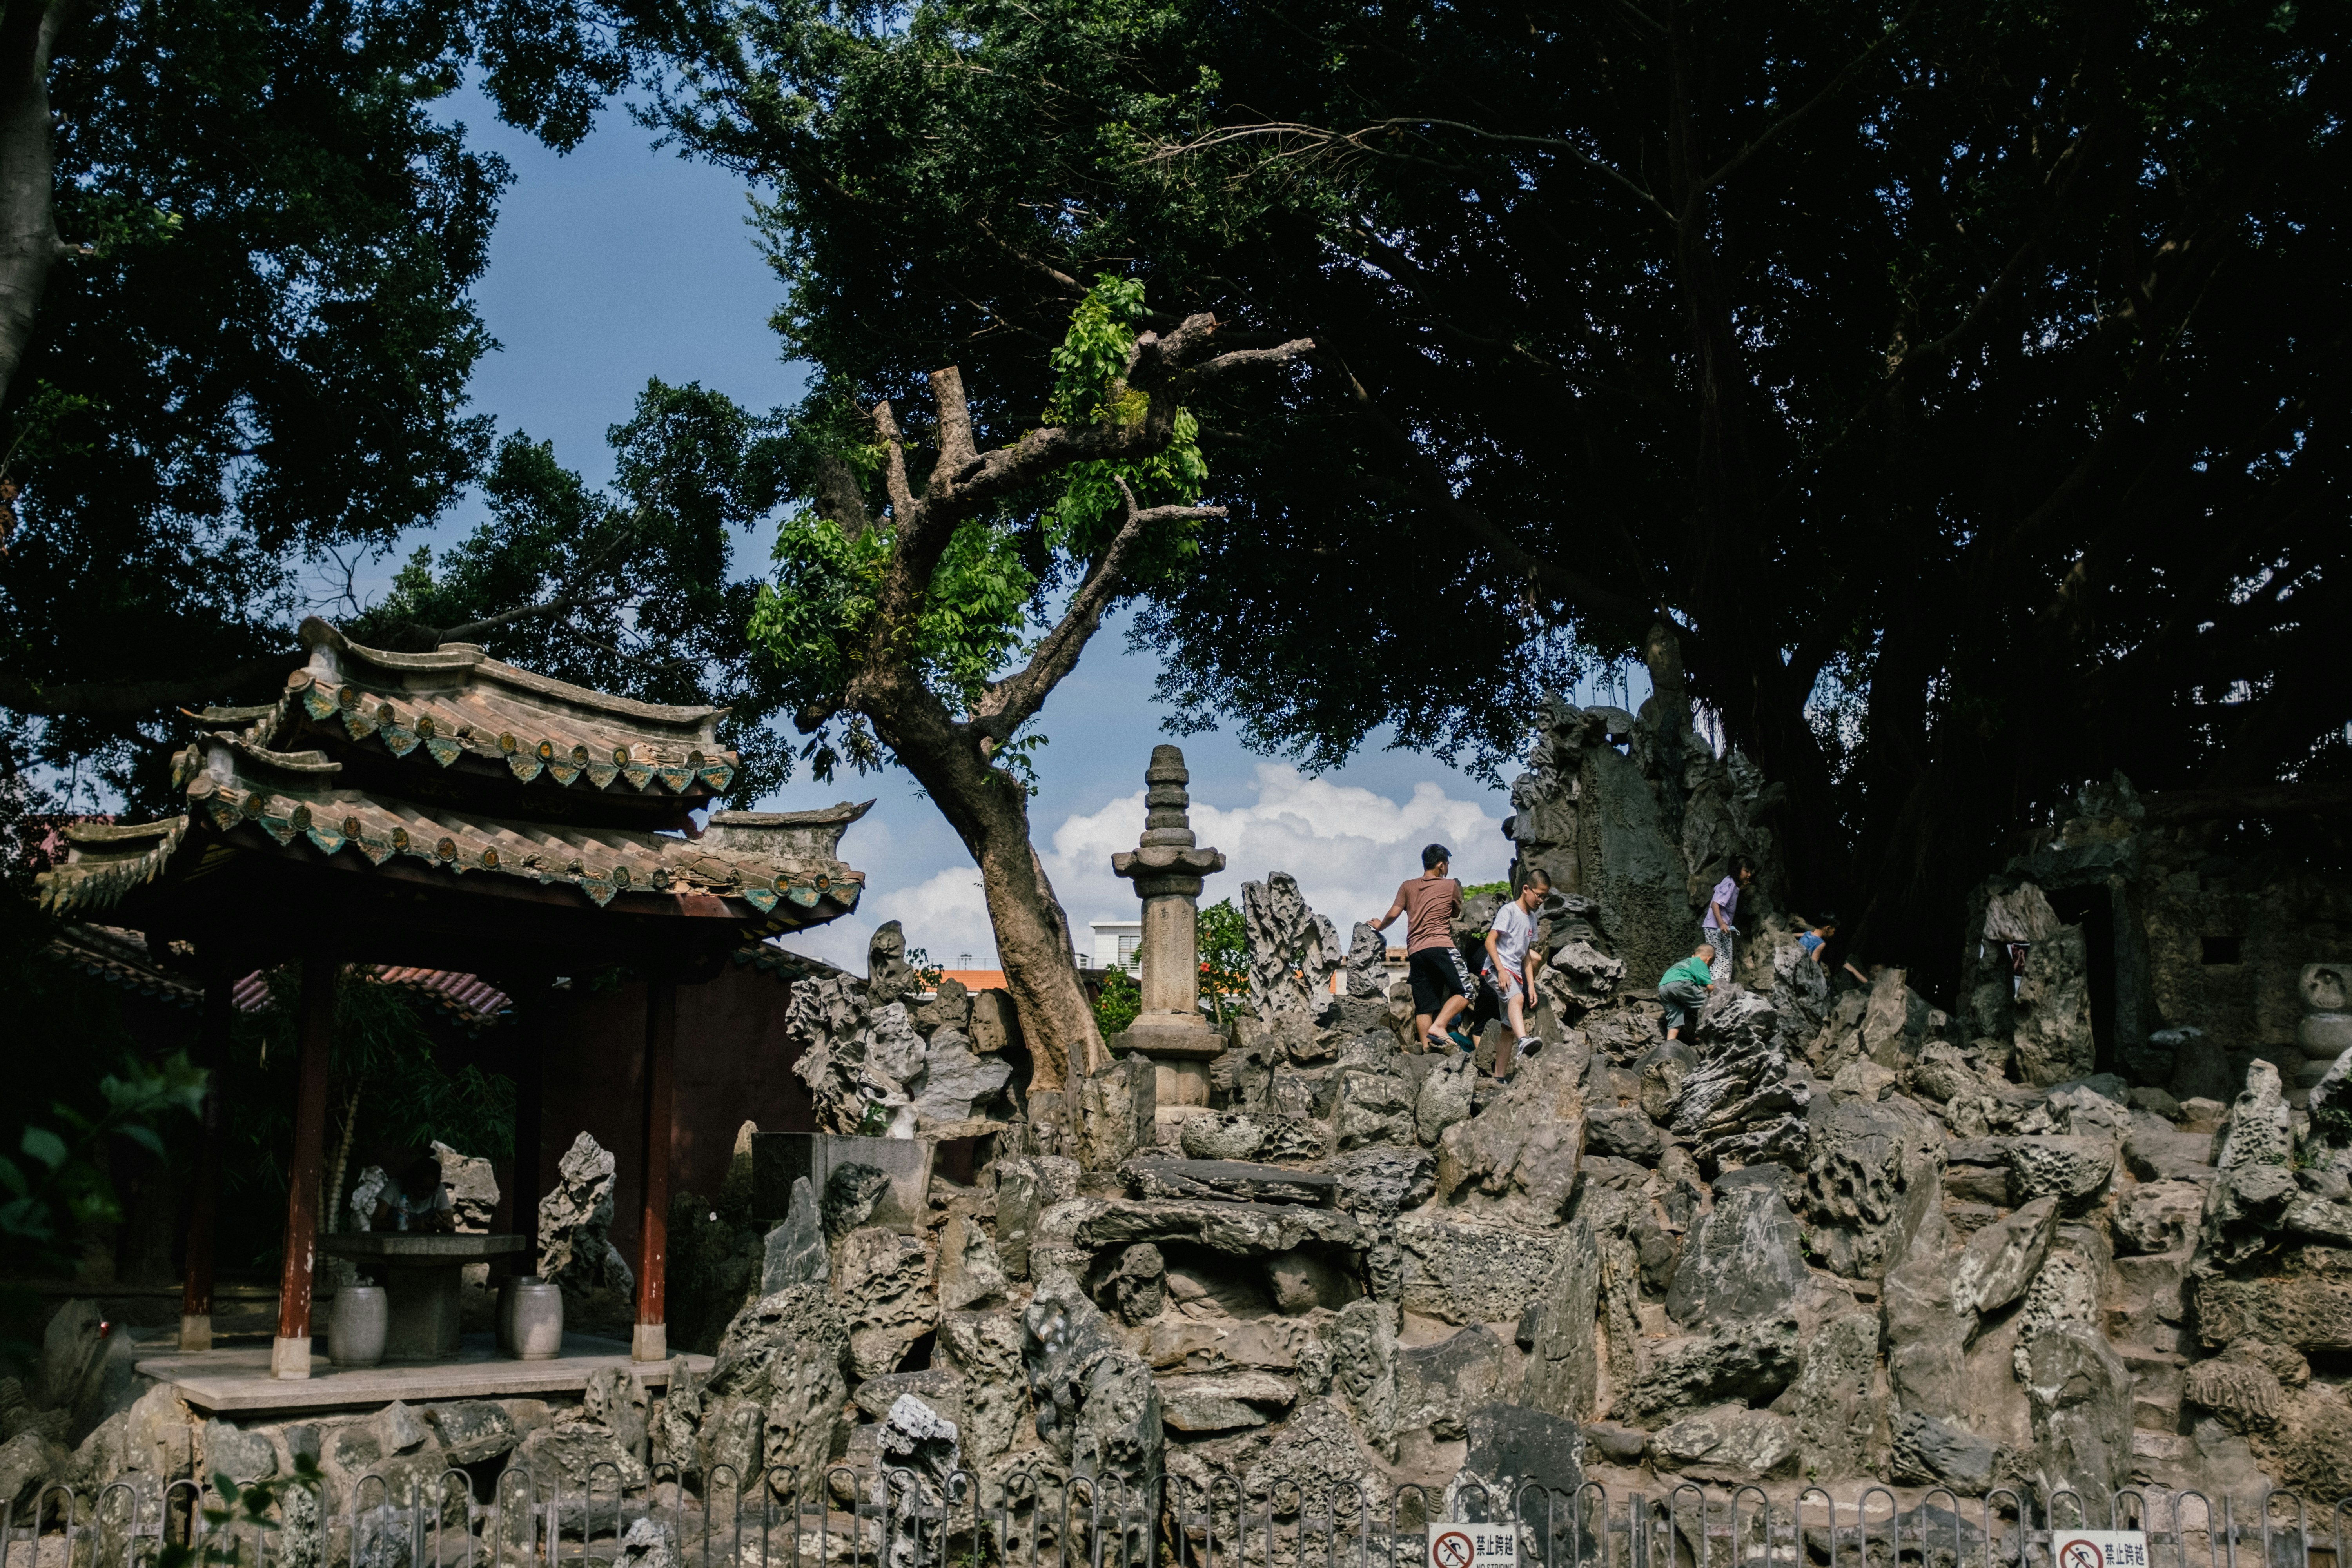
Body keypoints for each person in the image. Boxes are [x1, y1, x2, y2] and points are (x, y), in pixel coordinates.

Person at [1372, 843, 1474, 1053]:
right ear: (1441, 866)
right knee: (1465, 990)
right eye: (1447, 864)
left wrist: (1380, 926)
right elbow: (1456, 913)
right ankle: (1439, 1027)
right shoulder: (1450, 885)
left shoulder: (1407, 886)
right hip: (1440, 946)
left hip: (1417, 952)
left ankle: (1427, 1051)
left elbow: (1394, 913)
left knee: (1425, 1005)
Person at [1485, 869, 1549, 1059]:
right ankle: (1524, 1041)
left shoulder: (1532, 919)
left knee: (1508, 1029)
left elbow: (1526, 956)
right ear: (1526, 889)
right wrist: (1501, 971)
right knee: (1517, 999)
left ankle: (1500, 1078)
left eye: (1545, 897)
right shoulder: (1509, 911)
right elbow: (1489, 941)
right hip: (1498, 970)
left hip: (1516, 973)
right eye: (1539, 896)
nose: (1541, 901)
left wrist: (1531, 986)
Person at [1702, 855, 1753, 983]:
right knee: (1722, 960)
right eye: (1746, 871)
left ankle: (1718, 987)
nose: (1749, 874)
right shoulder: (1730, 884)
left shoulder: (1730, 882)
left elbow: (1717, 890)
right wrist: (1722, 924)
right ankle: (1719, 988)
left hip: (1717, 928)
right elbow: (1715, 904)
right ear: (1738, 870)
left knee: (1722, 958)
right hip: (1717, 928)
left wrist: (1741, 887)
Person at [1658, 943, 1715, 1040]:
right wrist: (1715, 998)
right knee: (1706, 1006)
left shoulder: (1685, 962)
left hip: (1663, 986)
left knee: (1675, 1019)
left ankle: (1670, 1044)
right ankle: (1704, 1034)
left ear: (1693, 955)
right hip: (1680, 983)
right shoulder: (1701, 963)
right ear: (1709, 960)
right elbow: (1710, 987)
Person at [1799, 913, 1871, 988]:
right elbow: (1813, 964)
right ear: (1828, 929)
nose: (1834, 934)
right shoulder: (1821, 944)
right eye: (1834, 931)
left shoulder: (1807, 934)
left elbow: (1795, 935)